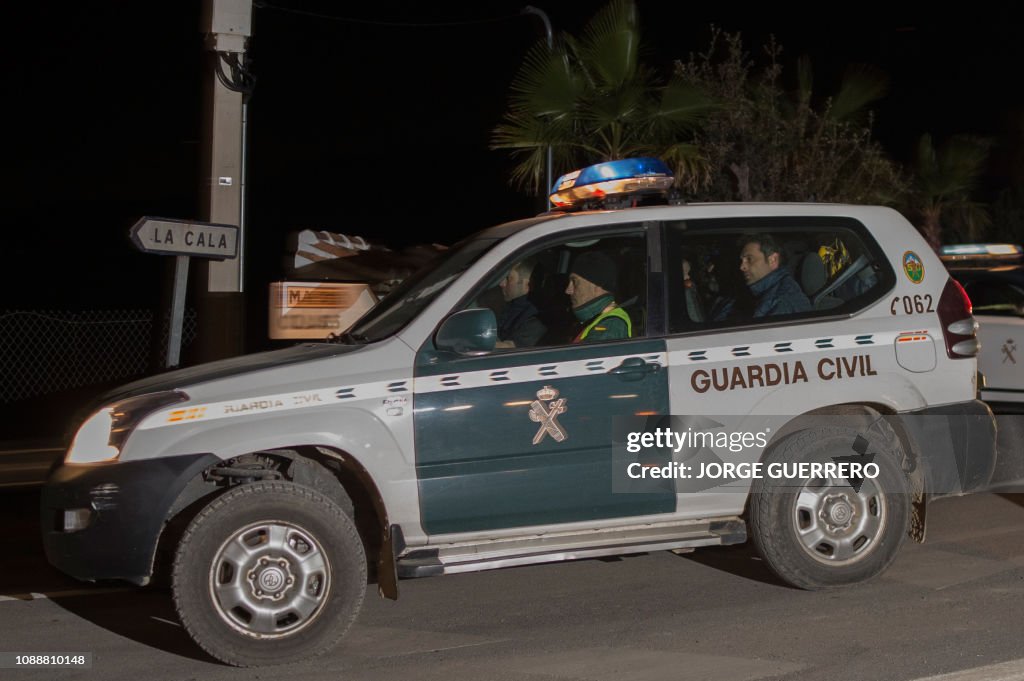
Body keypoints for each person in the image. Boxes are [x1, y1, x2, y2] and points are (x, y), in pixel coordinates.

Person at [737, 234, 812, 317]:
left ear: (773, 260)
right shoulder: (761, 294)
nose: (742, 267)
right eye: (742, 260)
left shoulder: (783, 303)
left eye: (749, 259)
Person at [565, 251, 631, 343]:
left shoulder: (611, 325)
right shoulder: (595, 319)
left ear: (597, 284)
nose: (568, 290)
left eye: (574, 282)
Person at [494, 259, 546, 349]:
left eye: (509, 278)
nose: (502, 283)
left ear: (527, 284)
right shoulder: (511, 307)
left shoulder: (536, 319)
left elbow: (510, 348)